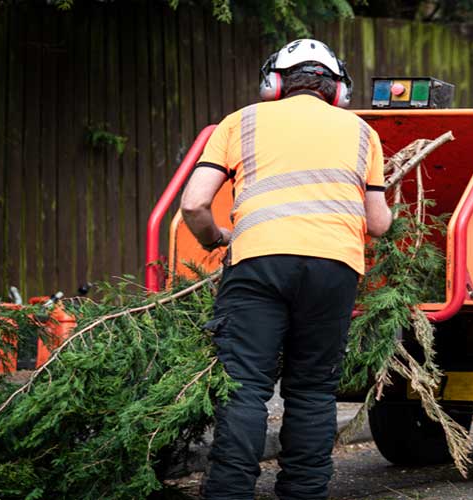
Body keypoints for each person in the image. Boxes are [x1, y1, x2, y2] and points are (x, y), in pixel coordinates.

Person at [179, 38, 392, 500]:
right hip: (334, 268)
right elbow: (378, 224)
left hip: (259, 262)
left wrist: (215, 238)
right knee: (313, 388)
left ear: (273, 83)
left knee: (245, 385)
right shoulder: (362, 133)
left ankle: (229, 492)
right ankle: (304, 491)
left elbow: (194, 203)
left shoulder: (241, 122)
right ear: (337, 90)